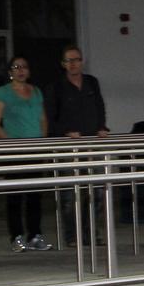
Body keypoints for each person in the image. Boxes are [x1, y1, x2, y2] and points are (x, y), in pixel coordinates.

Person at [45, 45, 109, 246]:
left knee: (97, 192)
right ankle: (72, 235)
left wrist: (101, 127)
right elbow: (50, 117)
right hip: (69, 147)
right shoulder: (56, 87)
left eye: (77, 59)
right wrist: (65, 132)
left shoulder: (91, 82)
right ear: (63, 64)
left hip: (93, 144)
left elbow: (99, 107)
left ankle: (91, 232)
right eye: (69, 60)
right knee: (70, 195)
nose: (73, 64)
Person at [0, 56, 52, 252]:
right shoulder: (2, 93)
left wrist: (42, 142)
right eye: (16, 67)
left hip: (35, 150)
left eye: (24, 67)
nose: (21, 70)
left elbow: (42, 119)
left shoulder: (36, 91)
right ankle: (16, 236)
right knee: (15, 196)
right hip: (15, 150)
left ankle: (35, 235)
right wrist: (10, 143)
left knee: (35, 196)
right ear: (10, 72)